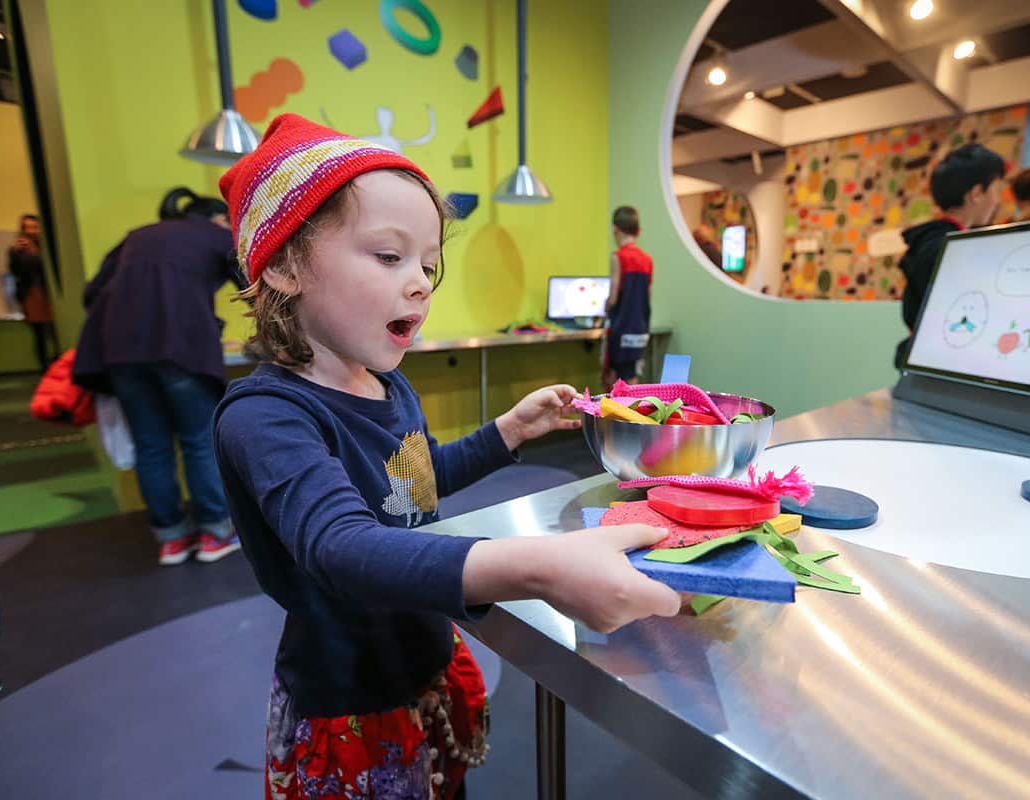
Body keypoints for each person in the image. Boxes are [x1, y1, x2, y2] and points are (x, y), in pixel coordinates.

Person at [212, 114, 679, 799]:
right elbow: (342, 547)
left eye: (428, 264)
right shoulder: (266, 416)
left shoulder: (387, 384)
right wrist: (537, 568)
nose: (422, 283)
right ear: (283, 264)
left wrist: (509, 430)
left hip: (424, 655)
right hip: (348, 696)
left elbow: (417, 483)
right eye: (388, 256)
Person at [73, 187, 245, 566]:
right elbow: (252, 287)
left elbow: (93, 292)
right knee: (200, 441)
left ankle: (171, 538)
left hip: (119, 353)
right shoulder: (219, 236)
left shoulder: (138, 236)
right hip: (180, 349)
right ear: (220, 219)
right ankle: (216, 533)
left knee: (151, 446)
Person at [895, 143, 1006, 368]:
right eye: (996, 190)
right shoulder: (950, 248)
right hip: (940, 364)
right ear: (976, 193)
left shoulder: (933, 241)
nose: (998, 200)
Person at [603, 206, 653, 389]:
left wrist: (605, 308)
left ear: (615, 229)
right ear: (638, 231)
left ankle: (614, 418)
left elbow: (613, 297)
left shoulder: (618, 257)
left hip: (621, 329)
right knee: (632, 379)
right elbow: (648, 295)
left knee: (614, 381)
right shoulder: (647, 260)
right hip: (640, 330)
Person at [7, 213, 59, 371]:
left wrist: (36, 253)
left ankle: (59, 360)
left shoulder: (47, 247)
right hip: (31, 293)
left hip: (50, 293)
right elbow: (16, 273)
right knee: (39, 333)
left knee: (55, 330)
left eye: (34, 227)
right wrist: (15, 255)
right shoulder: (17, 250)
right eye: (27, 227)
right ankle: (45, 366)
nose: (31, 231)